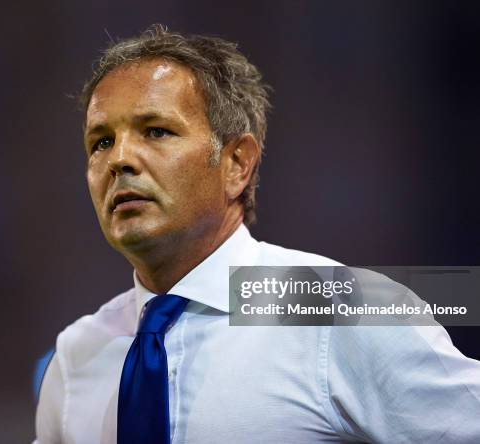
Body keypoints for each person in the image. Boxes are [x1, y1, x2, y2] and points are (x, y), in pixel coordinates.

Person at [33, 25, 480, 443]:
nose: (120, 159)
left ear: (237, 164)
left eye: (156, 131)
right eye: (101, 141)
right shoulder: (77, 357)